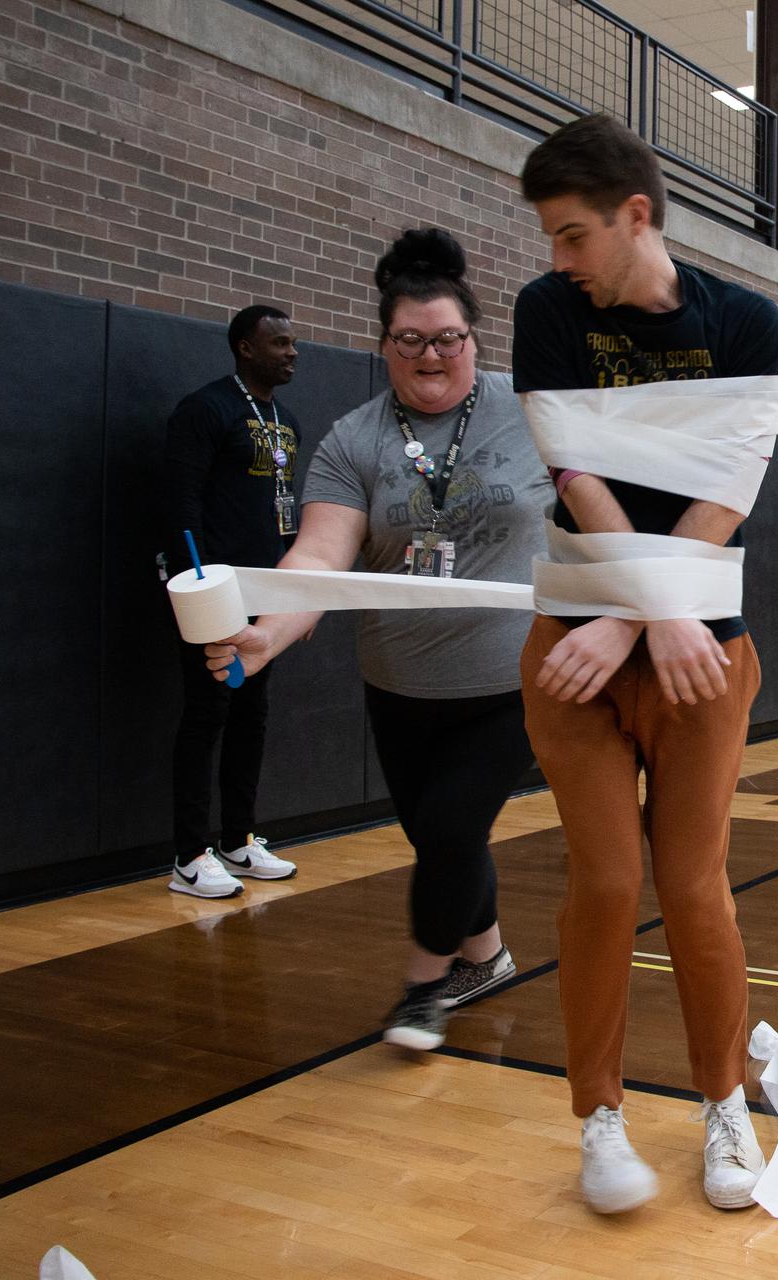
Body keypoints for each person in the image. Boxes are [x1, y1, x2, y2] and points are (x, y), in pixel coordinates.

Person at [513, 113, 778, 1215]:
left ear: (638, 216)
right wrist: (640, 612)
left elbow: (733, 483)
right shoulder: (547, 313)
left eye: (575, 236)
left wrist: (642, 617)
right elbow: (578, 473)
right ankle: (599, 1115)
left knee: (691, 885)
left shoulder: (748, 323)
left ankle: (726, 1104)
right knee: (608, 881)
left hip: (692, 648)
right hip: (572, 647)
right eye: (550, 239)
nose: (559, 262)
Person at [205, 229, 552, 1044]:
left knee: (451, 831)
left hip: (512, 679)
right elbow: (320, 557)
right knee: (442, 838)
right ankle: (486, 955)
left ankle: (422, 989)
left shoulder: (532, 413)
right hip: (401, 689)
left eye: (447, 340)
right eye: (409, 341)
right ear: (384, 344)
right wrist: (264, 637)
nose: (430, 356)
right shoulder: (353, 438)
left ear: (474, 338)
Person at [163, 304, 303, 898]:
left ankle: (239, 840)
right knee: (207, 714)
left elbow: (288, 514)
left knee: (252, 714)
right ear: (246, 348)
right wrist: (196, 589)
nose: (292, 352)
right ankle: (189, 856)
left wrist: (296, 599)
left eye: (292, 342)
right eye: (280, 343)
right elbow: (181, 505)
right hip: (214, 591)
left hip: (264, 593)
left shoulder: (286, 419)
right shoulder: (206, 409)